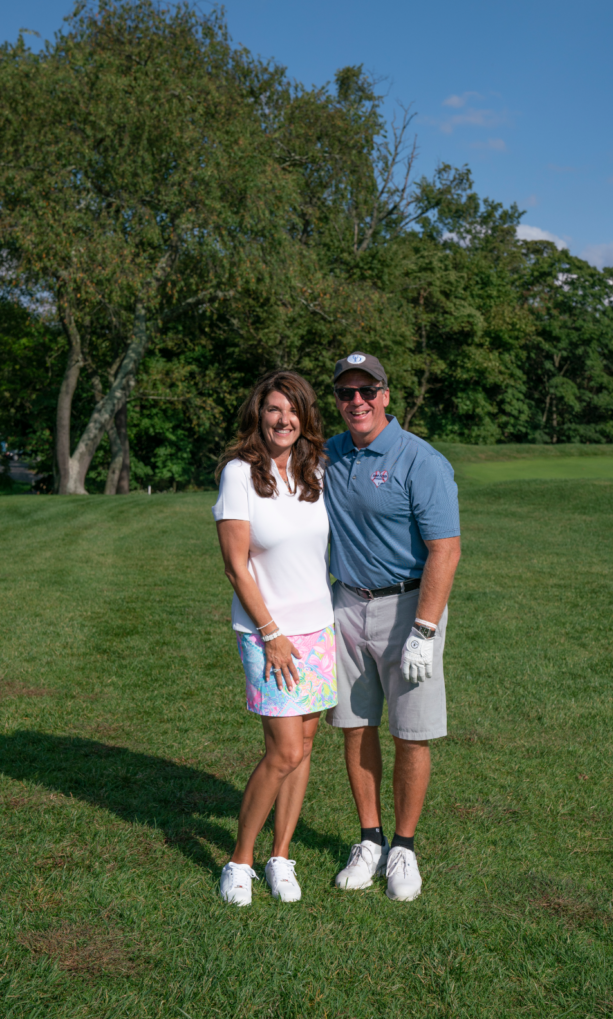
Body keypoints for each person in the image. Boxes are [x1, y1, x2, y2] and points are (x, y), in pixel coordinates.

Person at [323, 351, 461, 902]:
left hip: (409, 608)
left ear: (385, 395)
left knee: (412, 731)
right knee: (355, 724)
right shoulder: (328, 454)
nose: (356, 401)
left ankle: (403, 846)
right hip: (346, 604)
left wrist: (424, 630)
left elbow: (445, 550)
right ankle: (370, 839)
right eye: (345, 393)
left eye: (366, 390)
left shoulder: (419, 459)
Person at [213, 371, 336, 907]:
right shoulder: (240, 473)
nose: (283, 420)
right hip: (269, 634)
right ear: (258, 414)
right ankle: (239, 861)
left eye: (293, 411)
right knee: (283, 749)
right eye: (273, 410)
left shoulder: (316, 471)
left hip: (319, 627)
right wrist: (272, 635)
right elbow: (235, 567)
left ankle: (280, 856)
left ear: (305, 418)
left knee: (306, 745)